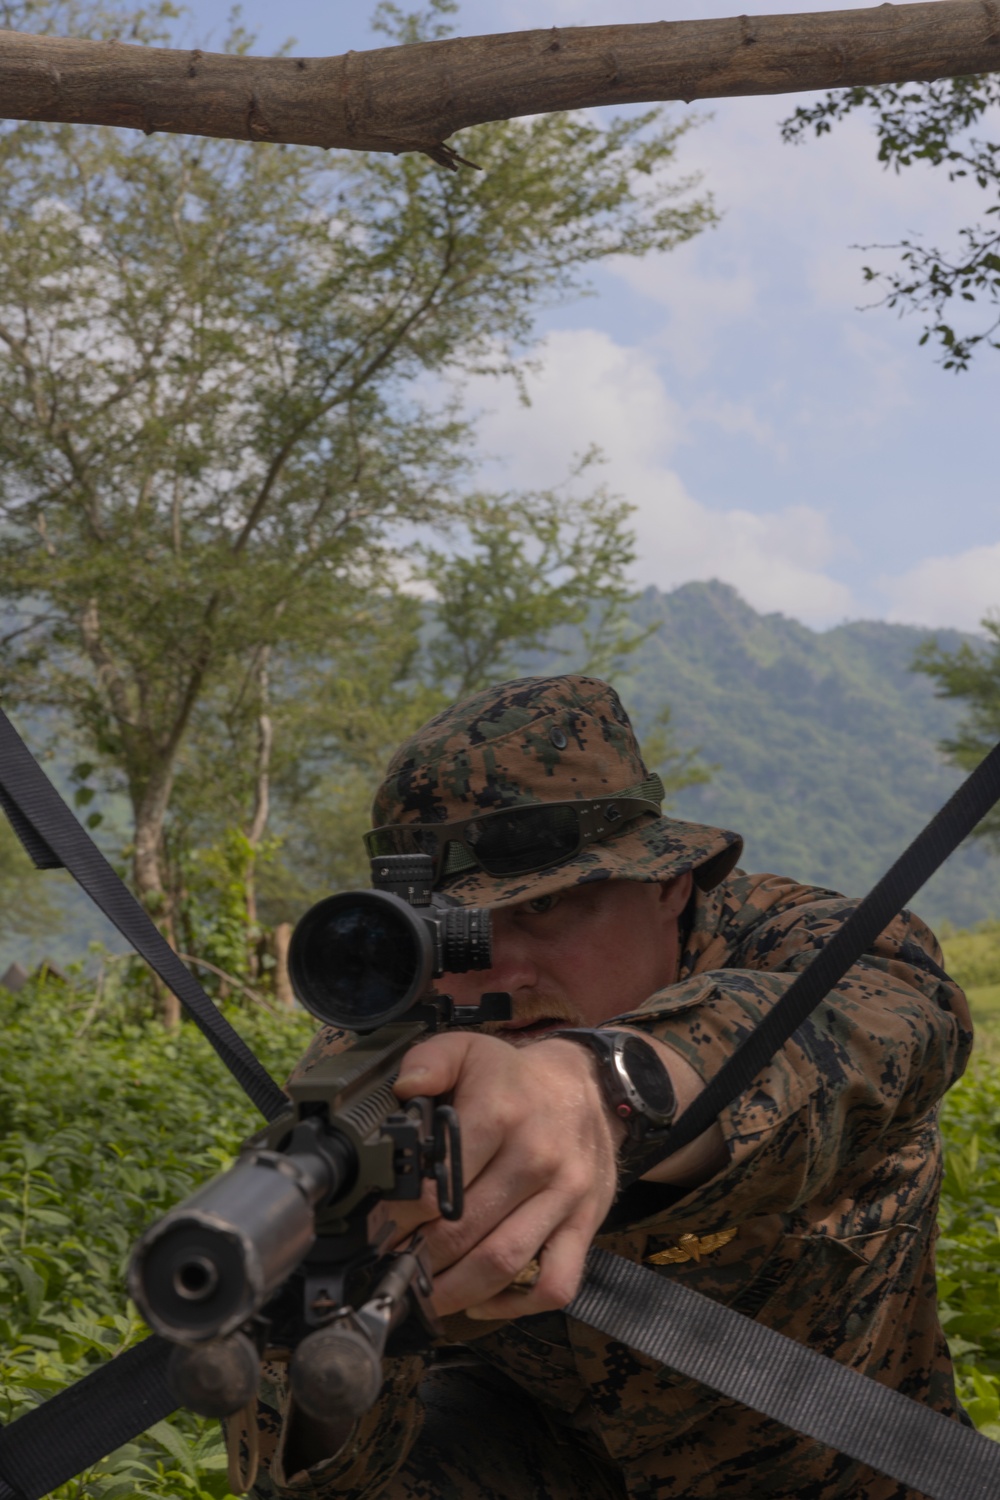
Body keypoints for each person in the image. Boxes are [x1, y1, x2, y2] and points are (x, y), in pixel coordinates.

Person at [250, 674, 972, 1500]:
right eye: (452, 932)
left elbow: (891, 1021)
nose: (498, 971)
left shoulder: (807, 946)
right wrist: (323, 1324)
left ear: (668, 882)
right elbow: (312, 1475)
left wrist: (602, 1086)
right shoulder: (383, 1049)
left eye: (547, 907)